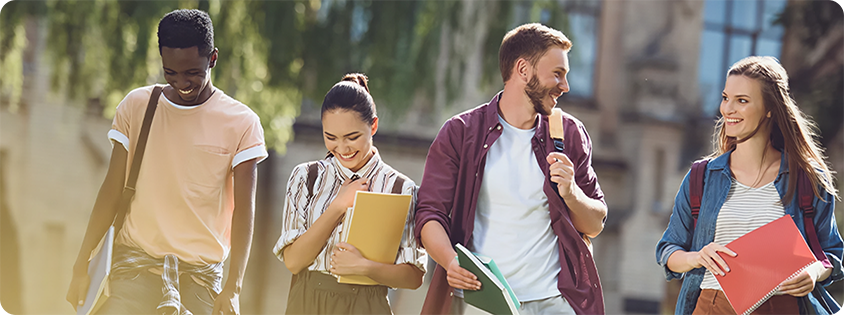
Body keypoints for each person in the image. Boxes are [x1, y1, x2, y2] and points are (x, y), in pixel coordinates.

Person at [66, 9, 267, 315]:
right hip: (132, 274)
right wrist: (81, 264)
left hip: (198, 284)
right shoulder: (137, 107)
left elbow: (244, 214)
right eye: (170, 73)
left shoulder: (241, 123)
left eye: (192, 73)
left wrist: (233, 288)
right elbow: (110, 192)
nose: (182, 83)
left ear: (212, 59)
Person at [415, 23, 608, 315]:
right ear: (523, 70)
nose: (565, 86)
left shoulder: (570, 134)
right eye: (557, 74)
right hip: (485, 300)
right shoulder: (461, 132)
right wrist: (450, 261)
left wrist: (571, 193)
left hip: (555, 301)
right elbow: (429, 214)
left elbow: (595, 224)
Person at [656, 56, 843, 315]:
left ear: (769, 109)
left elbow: (831, 253)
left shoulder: (807, 178)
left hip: (783, 307)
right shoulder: (702, 177)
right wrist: (696, 257)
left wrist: (813, 271)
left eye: (742, 101)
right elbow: (668, 249)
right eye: (725, 98)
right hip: (714, 306)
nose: (727, 109)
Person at [272, 73, 427, 315]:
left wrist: (364, 267)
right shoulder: (306, 177)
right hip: (307, 302)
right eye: (330, 138)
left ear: (373, 126)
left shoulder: (401, 188)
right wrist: (337, 206)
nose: (342, 149)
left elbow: (414, 276)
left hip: (368, 305)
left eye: (352, 137)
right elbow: (293, 262)